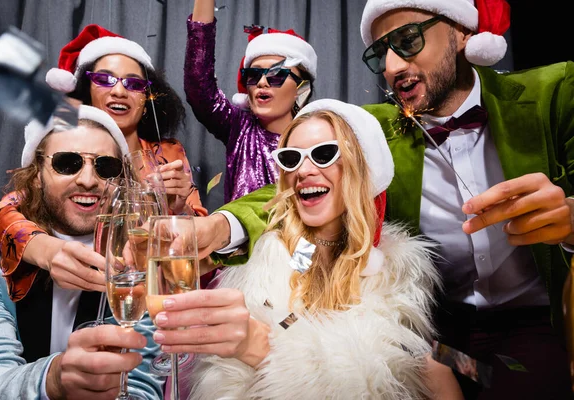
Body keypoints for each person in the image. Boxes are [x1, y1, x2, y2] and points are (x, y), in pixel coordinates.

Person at [180, 0, 574, 398]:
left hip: (528, 325)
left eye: (406, 40)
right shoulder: (295, 247)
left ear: (462, 33)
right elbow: (285, 305)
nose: (390, 66)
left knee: (518, 383)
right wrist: (221, 226)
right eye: (379, 54)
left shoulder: (554, 93)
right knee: (431, 362)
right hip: (440, 331)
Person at [151, 99, 463, 399]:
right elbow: (290, 314)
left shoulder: (392, 276)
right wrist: (267, 336)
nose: (303, 170)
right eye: (291, 158)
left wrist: (263, 347)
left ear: (359, 166)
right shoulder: (284, 255)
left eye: (324, 153)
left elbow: (409, 364)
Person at [0, 24, 208, 302]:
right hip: (63, 288)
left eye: (134, 83)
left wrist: (178, 210)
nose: (119, 91)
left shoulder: (168, 153)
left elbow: (202, 244)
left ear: (146, 96)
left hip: (140, 288)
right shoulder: (61, 138)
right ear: (86, 90)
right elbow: (3, 215)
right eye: (105, 79)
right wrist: (45, 249)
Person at [0, 105, 162, 399]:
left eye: (105, 167)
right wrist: (54, 380)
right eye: (67, 163)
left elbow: (140, 388)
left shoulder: (136, 271)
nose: (88, 179)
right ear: (36, 175)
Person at [185, 0, 317, 203]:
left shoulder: (320, 139)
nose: (262, 82)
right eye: (254, 75)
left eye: (276, 75)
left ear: (302, 89)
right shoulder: (239, 128)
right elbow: (198, 86)